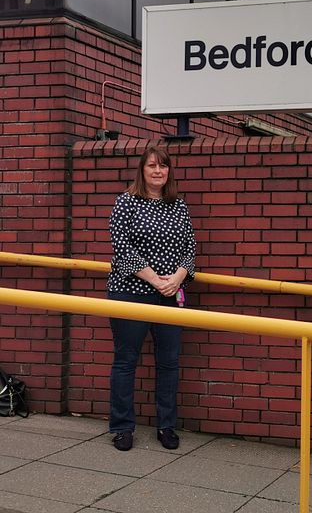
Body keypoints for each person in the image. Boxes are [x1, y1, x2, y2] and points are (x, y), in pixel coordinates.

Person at [106, 145, 196, 452]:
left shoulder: (179, 206)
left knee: (169, 364)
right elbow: (122, 248)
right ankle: (122, 427)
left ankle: (166, 426)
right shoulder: (126, 203)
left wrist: (179, 277)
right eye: (152, 166)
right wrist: (154, 278)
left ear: (169, 171)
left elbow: (190, 248)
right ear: (142, 170)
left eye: (163, 166)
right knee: (125, 362)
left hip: (172, 294)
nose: (158, 171)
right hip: (130, 292)